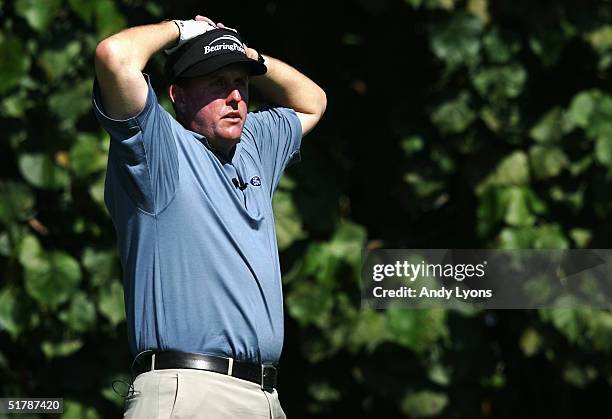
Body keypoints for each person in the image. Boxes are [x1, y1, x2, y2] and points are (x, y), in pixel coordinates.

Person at [92, 14, 326, 418]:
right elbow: (114, 56)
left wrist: (242, 52)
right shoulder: (157, 149)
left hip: (265, 397)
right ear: (178, 96)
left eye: (241, 83)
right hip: (189, 390)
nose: (235, 96)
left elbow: (313, 101)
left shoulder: (252, 145)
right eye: (217, 83)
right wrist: (183, 30)